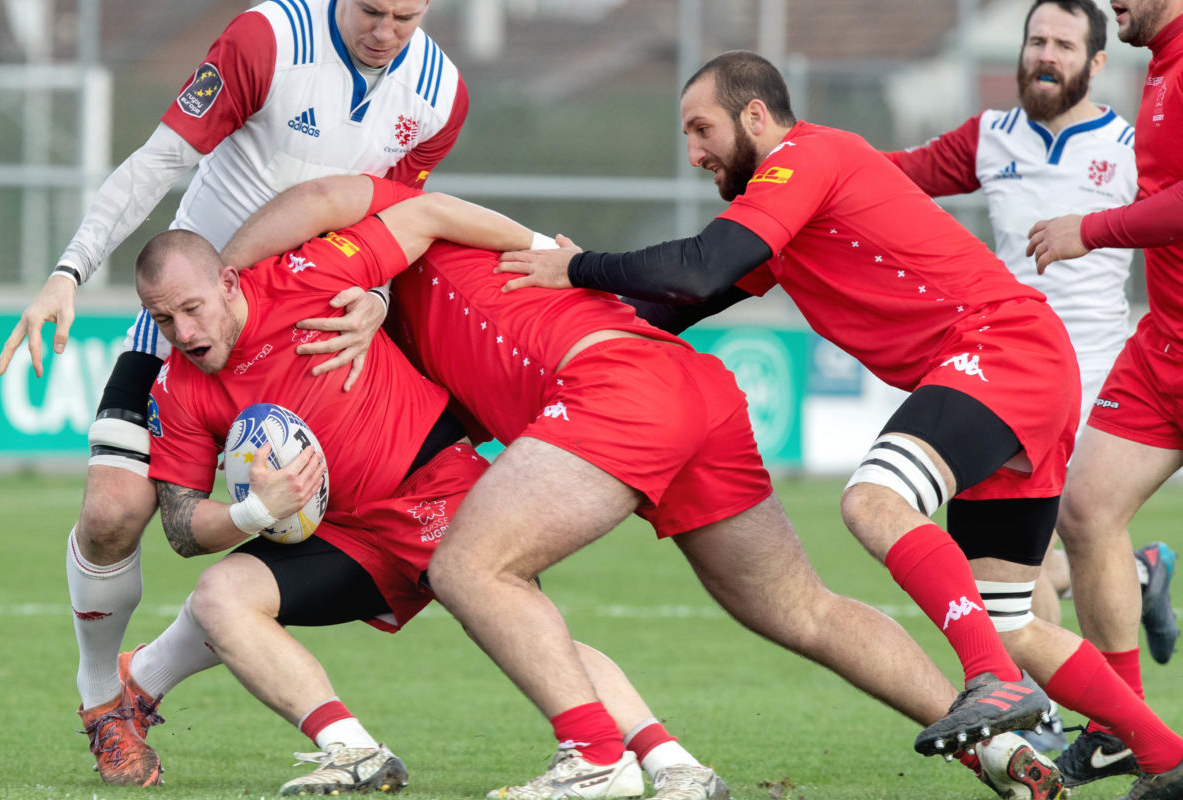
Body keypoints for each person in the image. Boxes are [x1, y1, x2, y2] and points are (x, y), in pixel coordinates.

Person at [220, 173, 1069, 800]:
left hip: (613, 388)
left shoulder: (380, 228)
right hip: (685, 387)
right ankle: (997, 747)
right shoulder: (378, 316)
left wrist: (236, 264)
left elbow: (336, 195)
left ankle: (594, 756)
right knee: (800, 606)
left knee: (471, 569)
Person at [497, 50, 1183, 800]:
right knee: (1012, 619)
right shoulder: (788, 203)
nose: (694, 153)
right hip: (1025, 363)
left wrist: (579, 265)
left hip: (999, 349)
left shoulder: (805, 156)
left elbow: (698, 264)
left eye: (703, 129)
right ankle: (1163, 753)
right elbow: (683, 300)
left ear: (757, 116)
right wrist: (563, 318)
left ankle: (990, 679)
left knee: (874, 500)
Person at [0, 0, 468, 786]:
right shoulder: (267, 39)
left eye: (406, 17)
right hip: (191, 322)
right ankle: (102, 697)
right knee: (112, 514)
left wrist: (379, 300)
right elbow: (156, 163)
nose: (386, 31)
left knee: (305, 527)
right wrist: (68, 271)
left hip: (306, 332)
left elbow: (397, 213)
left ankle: (142, 686)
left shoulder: (441, 92)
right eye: (372, 11)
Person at [123, 187, 728, 798]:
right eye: (165, 319)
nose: (184, 332)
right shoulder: (177, 389)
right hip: (344, 537)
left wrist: (550, 254)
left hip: (436, 488)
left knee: (526, 629)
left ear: (229, 281)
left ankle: (672, 764)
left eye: (192, 309)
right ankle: (352, 751)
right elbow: (180, 527)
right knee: (218, 595)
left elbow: (422, 213)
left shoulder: (307, 274)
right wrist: (255, 510)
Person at [883, 0, 1178, 753]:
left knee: (1044, 548)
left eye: (1062, 44)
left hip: (1106, 363)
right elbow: (895, 179)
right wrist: (807, 163)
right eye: (1035, 40)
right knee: (1045, 543)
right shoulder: (989, 137)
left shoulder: (1127, 135)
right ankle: (1095, 713)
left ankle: (1064, 702)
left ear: (1096, 62)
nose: (1045, 54)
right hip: (1016, 371)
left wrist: (1094, 229)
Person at [1025, 0, 1183, 790]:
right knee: (1084, 513)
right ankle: (1125, 725)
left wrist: (1093, 227)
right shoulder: (1161, 64)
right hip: (1164, 344)